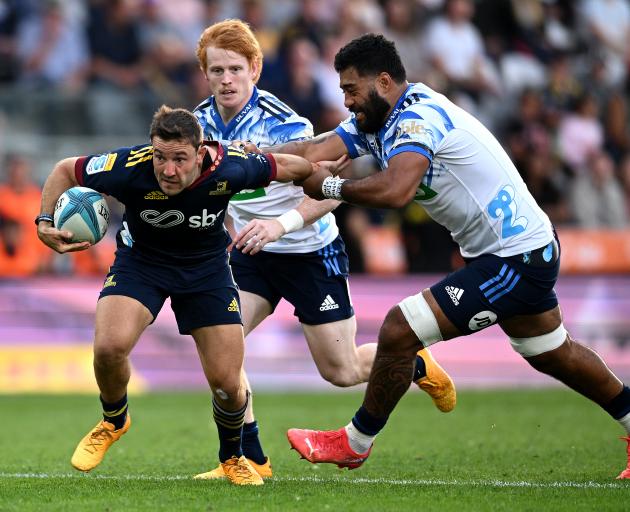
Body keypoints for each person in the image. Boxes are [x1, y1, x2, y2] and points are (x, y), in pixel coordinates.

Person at [248, 33, 630, 479]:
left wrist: (329, 187)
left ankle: (354, 443)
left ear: (384, 82)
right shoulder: (376, 121)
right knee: (552, 353)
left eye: (352, 89)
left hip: (514, 257)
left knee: (398, 328)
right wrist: (252, 161)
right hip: (513, 251)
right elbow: (314, 150)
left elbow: (396, 190)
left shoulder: (417, 118)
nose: (347, 100)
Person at [191, 20, 456, 480]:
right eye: (217, 70)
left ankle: (414, 362)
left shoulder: (286, 123)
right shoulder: (197, 126)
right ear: (205, 73)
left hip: (310, 253)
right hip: (251, 255)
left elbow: (333, 191)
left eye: (235, 68)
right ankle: (248, 457)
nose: (226, 79)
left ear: (255, 68)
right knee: (220, 349)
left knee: (341, 369)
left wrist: (281, 224)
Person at [35, 105, 318, 486]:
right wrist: (44, 222)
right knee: (108, 348)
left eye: (180, 159)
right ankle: (114, 419)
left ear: (200, 154)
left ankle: (232, 456)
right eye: (161, 157)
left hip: (207, 272)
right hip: (141, 265)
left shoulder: (233, 166)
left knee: (228, 384)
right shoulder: (126, 165)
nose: (168, 170)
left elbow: (299, 169)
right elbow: (64, 170)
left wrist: (304, 198)